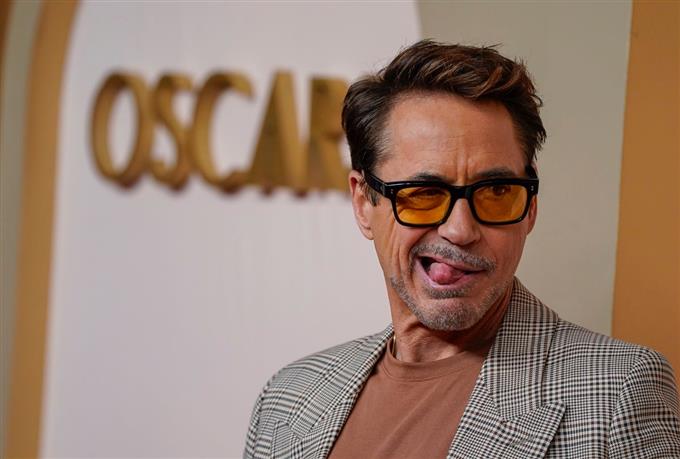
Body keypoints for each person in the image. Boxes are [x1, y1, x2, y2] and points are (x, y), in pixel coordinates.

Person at [244, 40, 680, 458]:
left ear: (530, 208)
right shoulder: (287, 398)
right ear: (363, 203)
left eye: (496, 192)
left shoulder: (618, 391)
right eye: (423, 193)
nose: (460, 229)